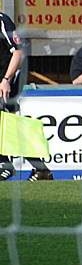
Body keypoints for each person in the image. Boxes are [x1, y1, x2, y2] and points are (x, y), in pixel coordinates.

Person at [0, 12, 53, 182]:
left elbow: (18, 53)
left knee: (7, 123)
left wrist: (6, 80)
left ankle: (5, 165)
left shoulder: (2, 21)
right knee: (12, 128)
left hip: (7, 79)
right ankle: (41, 169)